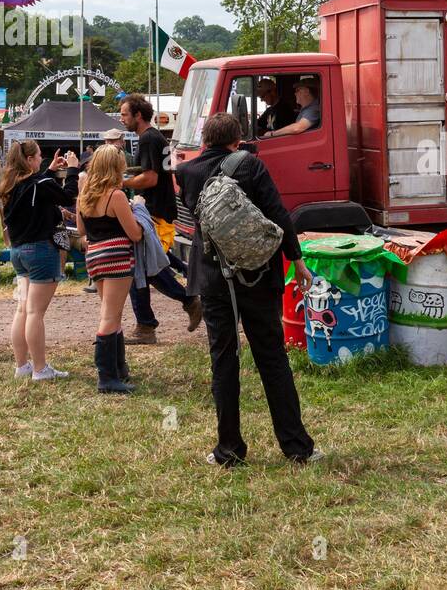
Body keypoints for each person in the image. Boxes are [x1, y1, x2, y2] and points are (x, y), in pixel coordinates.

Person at [175, 111, 319, 467]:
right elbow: (278, 214)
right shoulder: (251, 166)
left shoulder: (186, 173)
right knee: (271, 357)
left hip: (213, 278)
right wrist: (296, 260)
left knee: (223, 359)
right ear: (237, 141)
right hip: (257, 275)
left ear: (205, 140)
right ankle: (296, 446)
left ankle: (228, 450)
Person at [119, 94, 202, 344]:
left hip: (155, 213)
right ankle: (146, 324)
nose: (121, 119)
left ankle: (187, 300)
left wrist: (121, 182)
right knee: (144, 267)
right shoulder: (154, 137)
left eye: (124, 114)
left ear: (138, 115)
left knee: (144, 268)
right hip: (158, 211)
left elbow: (151, 178)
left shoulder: (147, 140)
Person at [0, 141, 79, 381]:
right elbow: (67, 196)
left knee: (23, 309)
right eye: (40, 157)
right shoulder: (40, 184)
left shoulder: (12, 185)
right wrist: (73, 170)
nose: (42, 160)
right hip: (41, 250)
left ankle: (22, 365)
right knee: (35, 313)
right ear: (31, 159)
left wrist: (50, 171)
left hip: (19, 251)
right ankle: (40, 369)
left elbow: (36, 187)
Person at [76, 145, 142, 395]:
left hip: (94, 256)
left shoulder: (84, 194)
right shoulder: (116, 195)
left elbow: (82, 231)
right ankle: (107, 377)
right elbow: (134, 234)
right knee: (110, 315)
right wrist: (141, 215)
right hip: (116, 256)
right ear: (116, 166)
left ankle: (118, 367)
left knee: (110, 311)